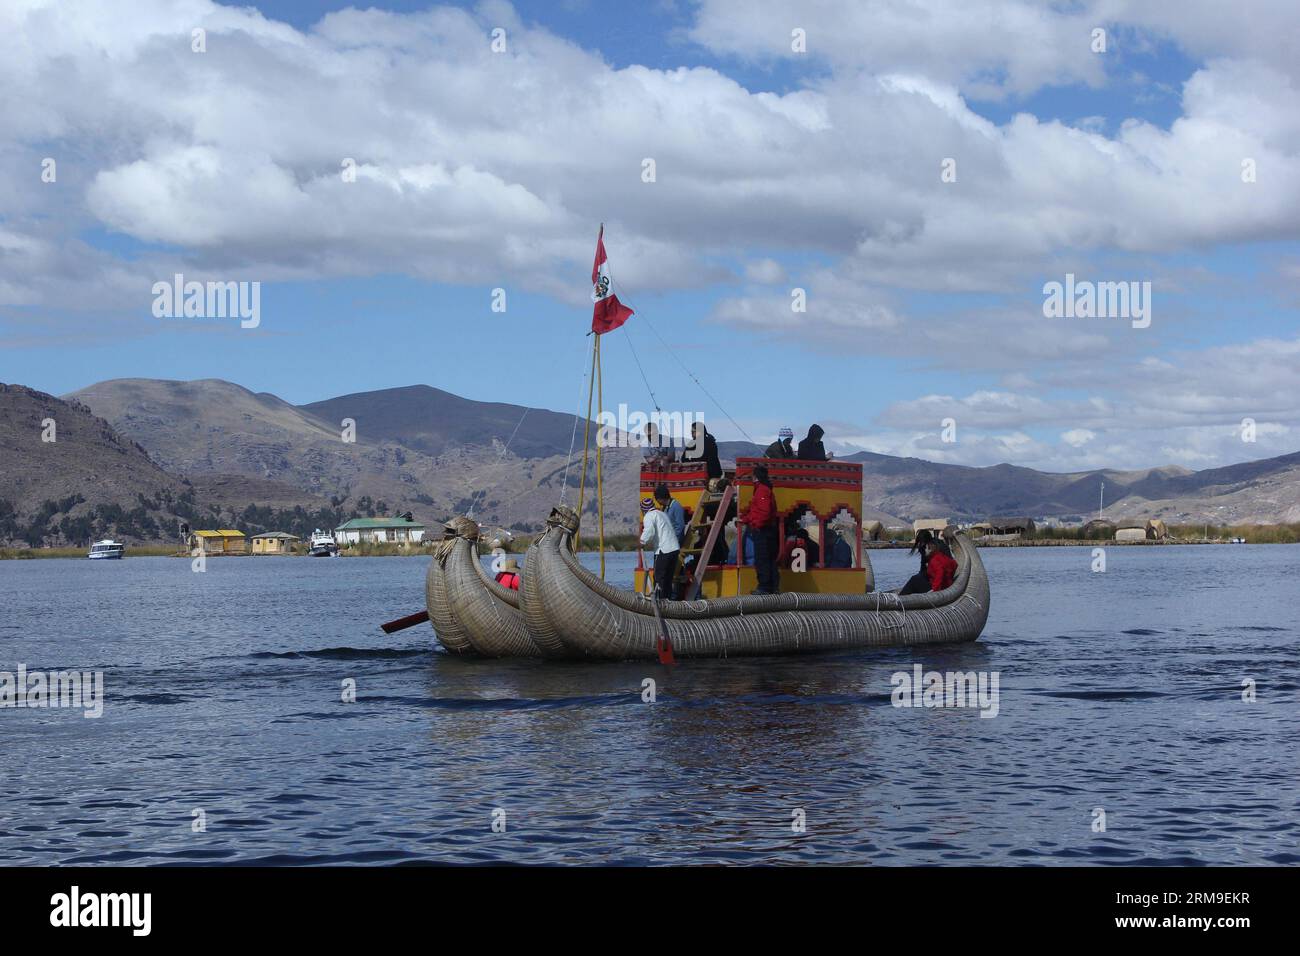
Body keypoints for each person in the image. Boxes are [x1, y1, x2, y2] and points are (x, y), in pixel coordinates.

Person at [740, 464, 779, 594]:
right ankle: (773, 586)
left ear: (755, 477)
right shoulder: (765, 489)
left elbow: (764, 512)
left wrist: (755, 523)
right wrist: (746, 519)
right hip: (768, 529)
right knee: (769, 559)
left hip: (763, 530)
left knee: (762, 559)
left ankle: (764, 587)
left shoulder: (761, 490)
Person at [640, 484, 681, 600]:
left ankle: (659, 602)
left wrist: (641, 542)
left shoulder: (649, 515)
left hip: (664, 550)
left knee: (659, 577)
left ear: (644, 510)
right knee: (668, 578)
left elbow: (649, 531)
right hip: (674, 549)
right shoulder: (662, 514)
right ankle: (667, 601)